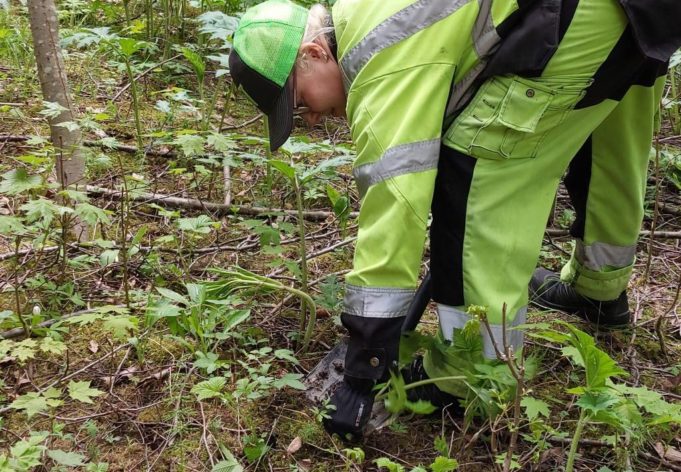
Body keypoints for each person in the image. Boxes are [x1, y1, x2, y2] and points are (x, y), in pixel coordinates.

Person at [229, 0, 681, 440]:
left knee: (473, 170)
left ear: (313, 53)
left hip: (579, 16)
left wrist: (365, 363)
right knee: (609, 150)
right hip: (650, 13)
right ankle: (600, 291)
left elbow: (396, 201)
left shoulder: (373, 50)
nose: (309, 119)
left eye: (300, 102)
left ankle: (474, 377)